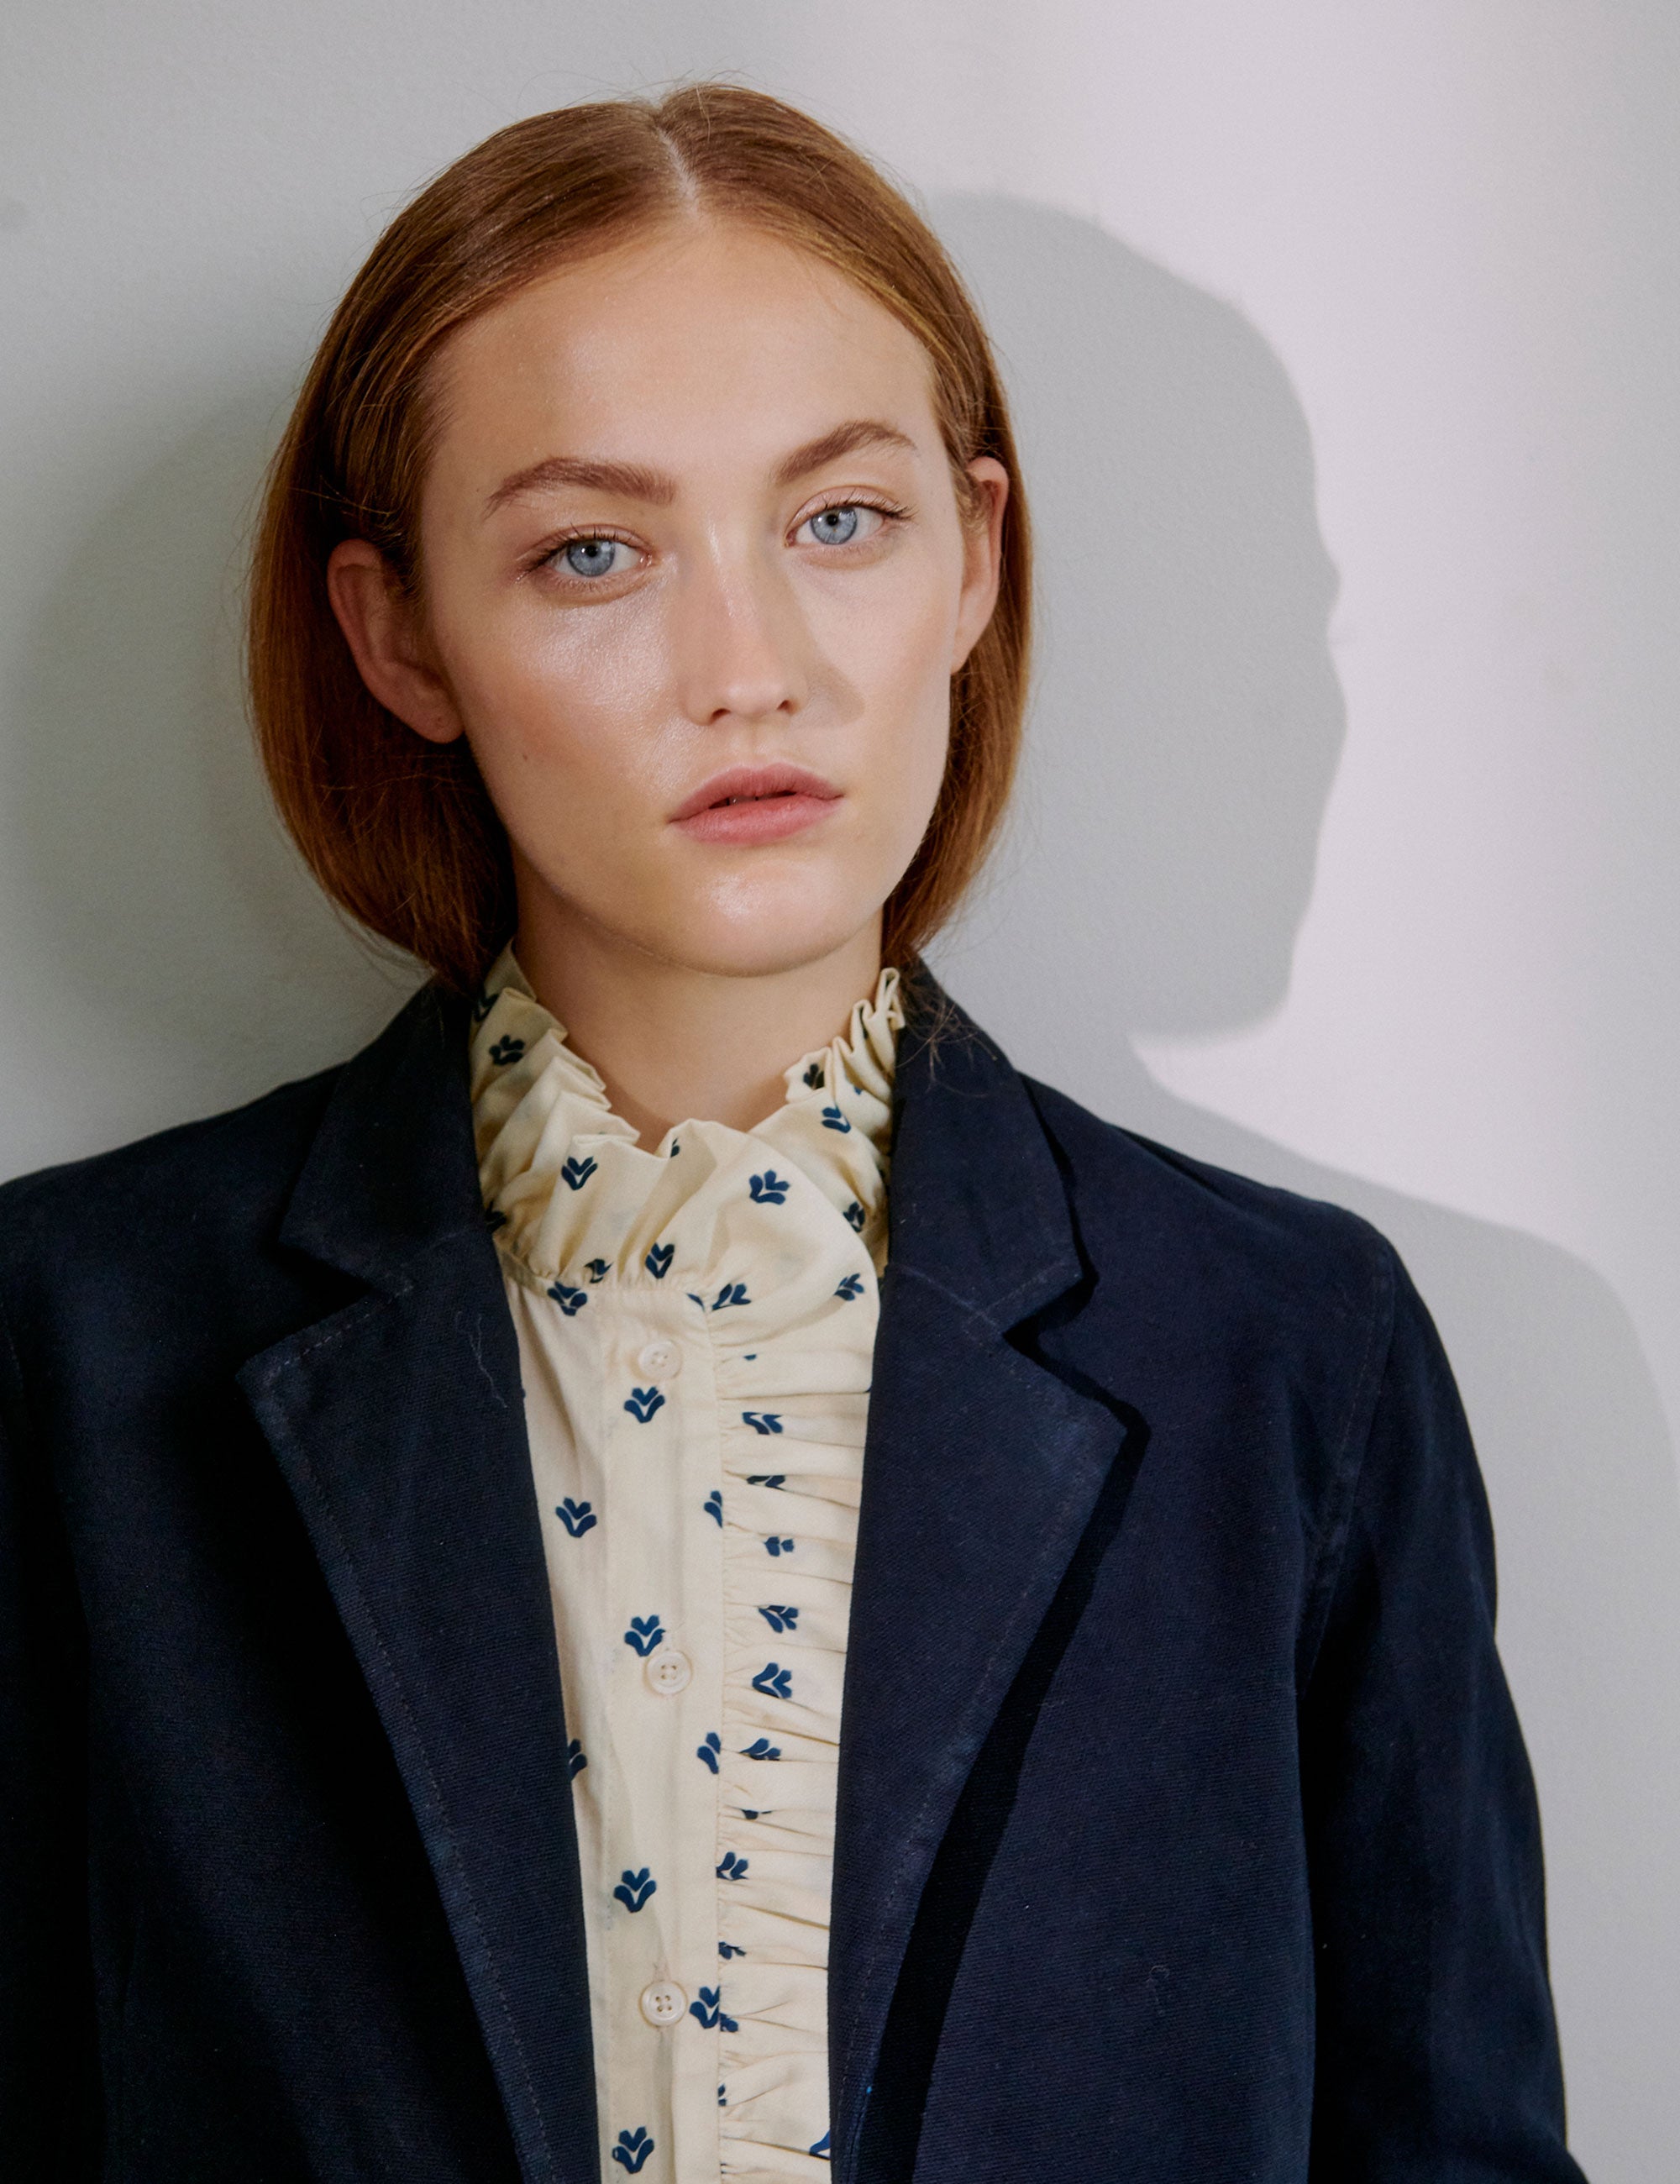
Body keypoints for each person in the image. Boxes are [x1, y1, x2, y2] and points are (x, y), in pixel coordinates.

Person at [0, 85, 1586, 2184]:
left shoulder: (1293, 1357)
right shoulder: (71, 1347)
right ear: (400, 638)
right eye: (592, 552)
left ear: (973, 559)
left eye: (841, 521)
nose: (747, 669)